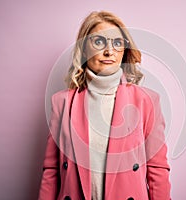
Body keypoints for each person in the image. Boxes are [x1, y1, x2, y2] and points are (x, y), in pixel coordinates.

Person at [39, 11, 171, 200]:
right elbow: (51, 170)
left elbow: (157, 169)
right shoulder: (62, 102)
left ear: (124, 50)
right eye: (99, 42)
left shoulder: (147, 101)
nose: (109, 51)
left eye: (117, 43)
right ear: (84, 49)